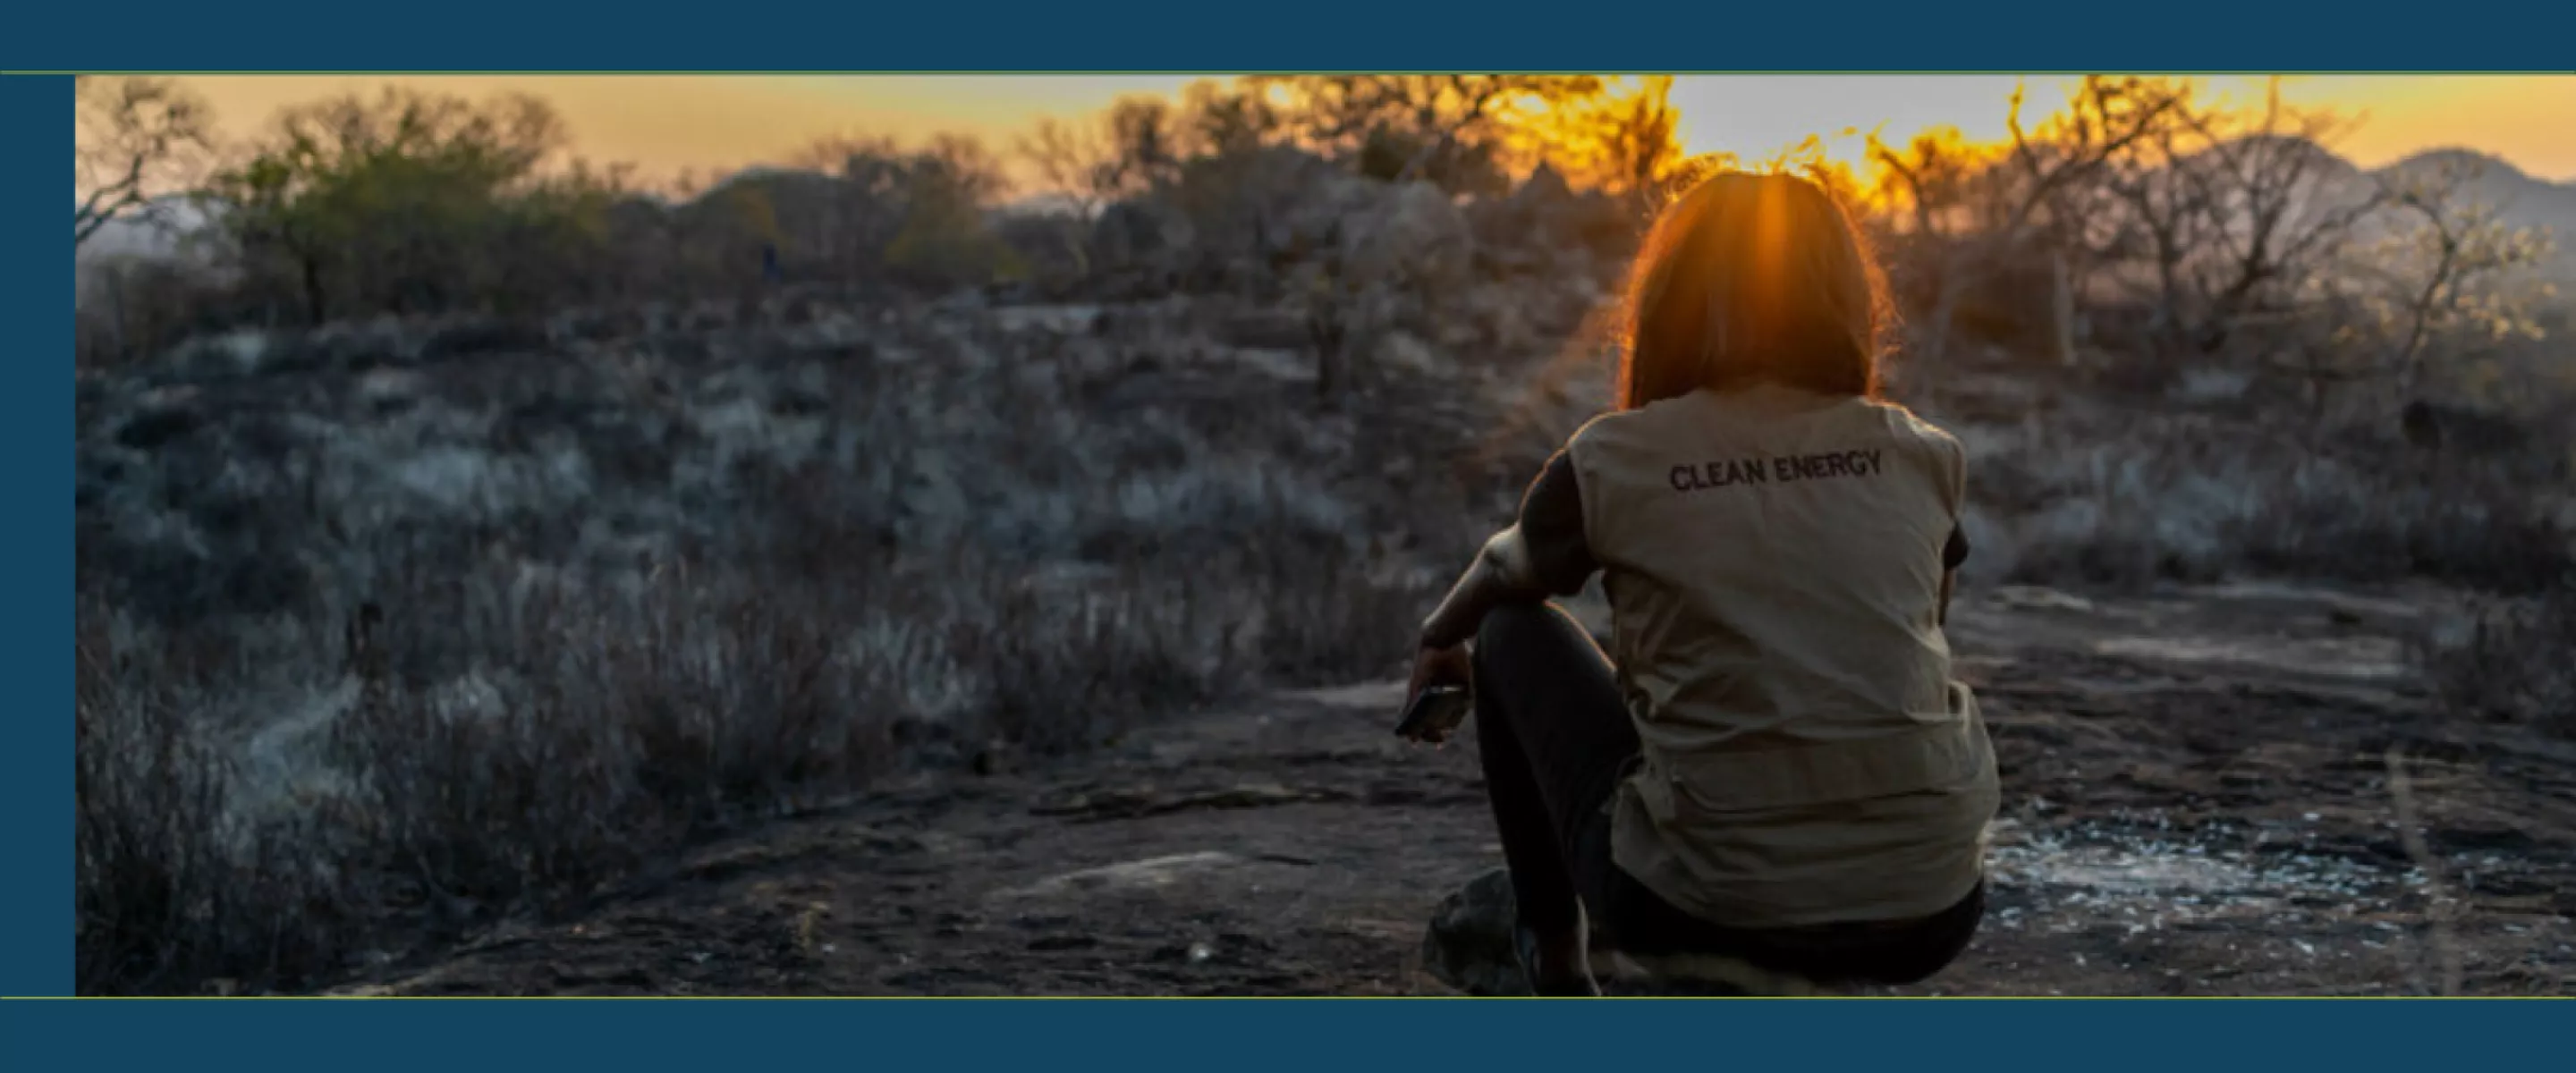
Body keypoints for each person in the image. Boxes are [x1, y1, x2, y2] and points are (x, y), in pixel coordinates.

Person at [1402, 171, 1998, 996]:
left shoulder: (1615, 456)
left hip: (1697, 907)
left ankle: (1557, 959)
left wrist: (1441, 634)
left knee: (1508, 630)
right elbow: (1918, 629)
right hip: (1932, 911)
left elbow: (1509, 569)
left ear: (1671, 299)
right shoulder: (1920, 452)